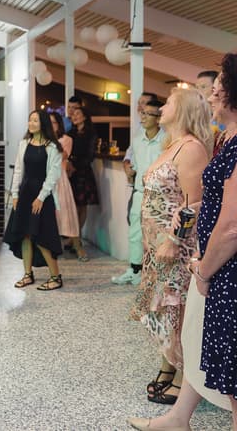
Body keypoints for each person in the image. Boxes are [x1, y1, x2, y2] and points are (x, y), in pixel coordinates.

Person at [126, 59, 236, 431]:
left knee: (194, 331)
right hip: (197, 254)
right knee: (191, 330)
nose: (211, 95)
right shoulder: (220, 140)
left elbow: (218, 213)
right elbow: (207, 201)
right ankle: (177, 416)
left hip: (208, 258)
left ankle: (179, 406)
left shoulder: (196, 147)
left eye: (215, 88)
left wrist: (184, 245)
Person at [129, 89, 211, 405]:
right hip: (156, 246)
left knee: (176, 308)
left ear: (184, 111)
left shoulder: (191, 149)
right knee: (163, 309)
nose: (161, 107)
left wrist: (173, 240)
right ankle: (168, 364)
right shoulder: (171, 145)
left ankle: (182, 376)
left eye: (169, 103)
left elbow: (195, 203)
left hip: (175, 248)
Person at [4, 110, 64, 291]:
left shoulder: (52, 147)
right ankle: (27, 274)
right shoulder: (24, 144)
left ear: (43, 123)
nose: (31, 123)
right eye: (30, 120)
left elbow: (53, 175)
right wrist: (14, 195)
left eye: (35, 120)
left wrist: (40, 197)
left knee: (42, 236)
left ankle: (56, 276)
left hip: (42, 196)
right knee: (26, 235)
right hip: (25, 193)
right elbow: (19, 171)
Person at [113, 99, 167, 285]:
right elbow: (133, 163)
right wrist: (129, 169)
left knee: (157, 235)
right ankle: (134, 270)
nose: (142, 117)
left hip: (160, 196)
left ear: (159, 118)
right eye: (142, 113)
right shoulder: (137, 141)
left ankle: (153, 273)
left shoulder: (166, 141)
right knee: (135, 233)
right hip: (139, 192)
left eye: (148, 114)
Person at [49, 112, 86, 262]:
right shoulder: (41, 140)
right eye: (48, 122)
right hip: (46, 182)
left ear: (59, 124)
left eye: (54, 123)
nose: (51, 126)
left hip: (61, 181)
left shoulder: (66, 140)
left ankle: (78, 247)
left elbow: (61, 155)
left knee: (67, 216)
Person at [67, 106, 99, 234]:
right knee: (72, 206)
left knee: (82, 205)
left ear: (85, 117)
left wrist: (76, 165)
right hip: (69, 172)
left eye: (77, 114)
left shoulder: (91, 133)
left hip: (83, 172)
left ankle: (76, 237)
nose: (74, 116)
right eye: (73, 114)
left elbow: (90, 155)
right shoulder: (70, 133)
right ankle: (72, 236)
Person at [123, 92, 159, 181]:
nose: (139, 106)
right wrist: (126, 165)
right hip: (138, 186)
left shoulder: (164, 134)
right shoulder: (139, 129)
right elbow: (130, 153)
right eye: (138, 103)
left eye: (143, 103)